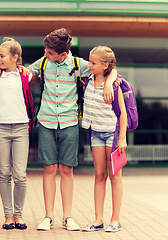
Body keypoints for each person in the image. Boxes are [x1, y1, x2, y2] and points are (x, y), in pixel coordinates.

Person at [28, 28, 118, 231]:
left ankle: (67, 217)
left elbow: (109, 70)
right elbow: (23, 73)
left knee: (67, 169)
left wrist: (109, 83)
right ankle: (48, 216)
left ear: (63, 53)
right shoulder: (42, 63)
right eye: (45, 50)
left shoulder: (79, 65)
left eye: (49, 52)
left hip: (69, 122)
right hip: (46, 121)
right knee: (49, 168)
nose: (45, 54)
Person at [0, 38, 32, 230]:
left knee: (20, 174)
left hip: (21, 128)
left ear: (15, 57)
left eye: (2, 56)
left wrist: (25, 67)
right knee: (4, 173)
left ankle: (19, 215)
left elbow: (44, 71)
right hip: (0, 128)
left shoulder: (25, 75)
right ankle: (8, 216)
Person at [81, 46, 126, 233]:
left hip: (112, 134)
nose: (89, 65)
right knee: (99, 176)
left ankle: (115, 220)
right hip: (96, 133)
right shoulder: (87, 79)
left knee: (115, 177)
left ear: (105, 65)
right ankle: (98, 219)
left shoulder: (114, 84)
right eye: (89, 61)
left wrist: (122, 138)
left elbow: (122, 114)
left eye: (93, 62)